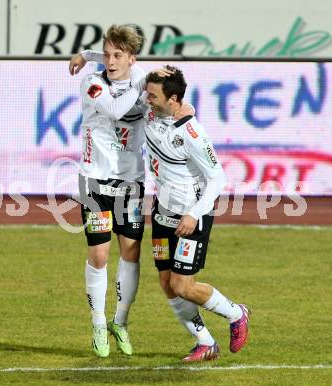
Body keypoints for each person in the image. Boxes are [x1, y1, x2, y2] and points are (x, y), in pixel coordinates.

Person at [144, 66, 250, 361]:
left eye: (152, 95)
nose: (146, 99)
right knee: (166, 283)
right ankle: (205, 342)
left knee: (182, 286)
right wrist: (151, 70)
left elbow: (217, 178)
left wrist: (193, 214)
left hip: (191, 217)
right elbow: (125, 72)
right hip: (162, 211)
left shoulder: (191, 132)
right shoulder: (150, 112)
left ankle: (235, 313)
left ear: (173, 99)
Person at [71, 25, 147, 358]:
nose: (111, 61)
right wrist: (90, 58)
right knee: (100, 256)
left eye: (118, 55)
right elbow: (116, 111)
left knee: (131, 254)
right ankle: (99, 323)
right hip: (94, 181)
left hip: (131, 183)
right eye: (107, 53)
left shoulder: (143, 80)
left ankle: (121, 321)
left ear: (132, 57)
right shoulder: (92, 82)